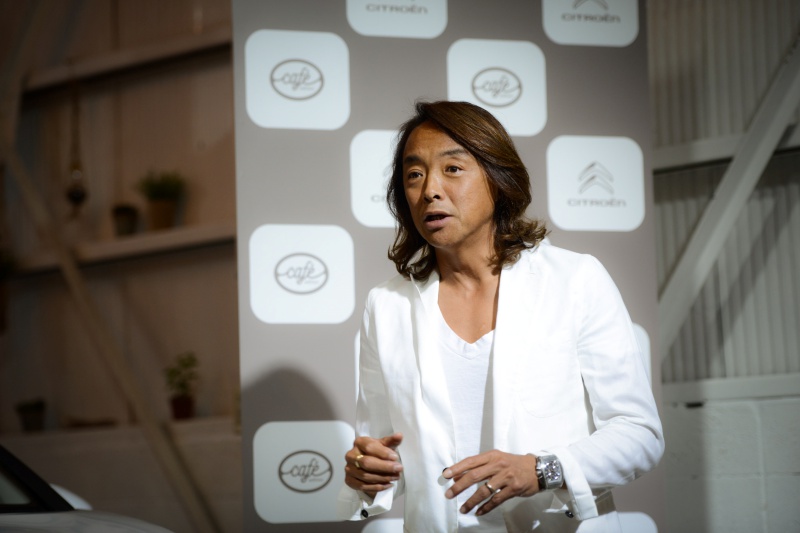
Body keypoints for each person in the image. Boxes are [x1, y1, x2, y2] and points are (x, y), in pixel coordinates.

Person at [338, 101, 664, 532]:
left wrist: (543, 469)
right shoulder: (385, 305)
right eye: (414, 175)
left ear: (497, 177)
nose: (430, 189)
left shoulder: (574, 279)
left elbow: (639, 433)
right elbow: (382, 451)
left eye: (452, 169)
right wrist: (368, 472)